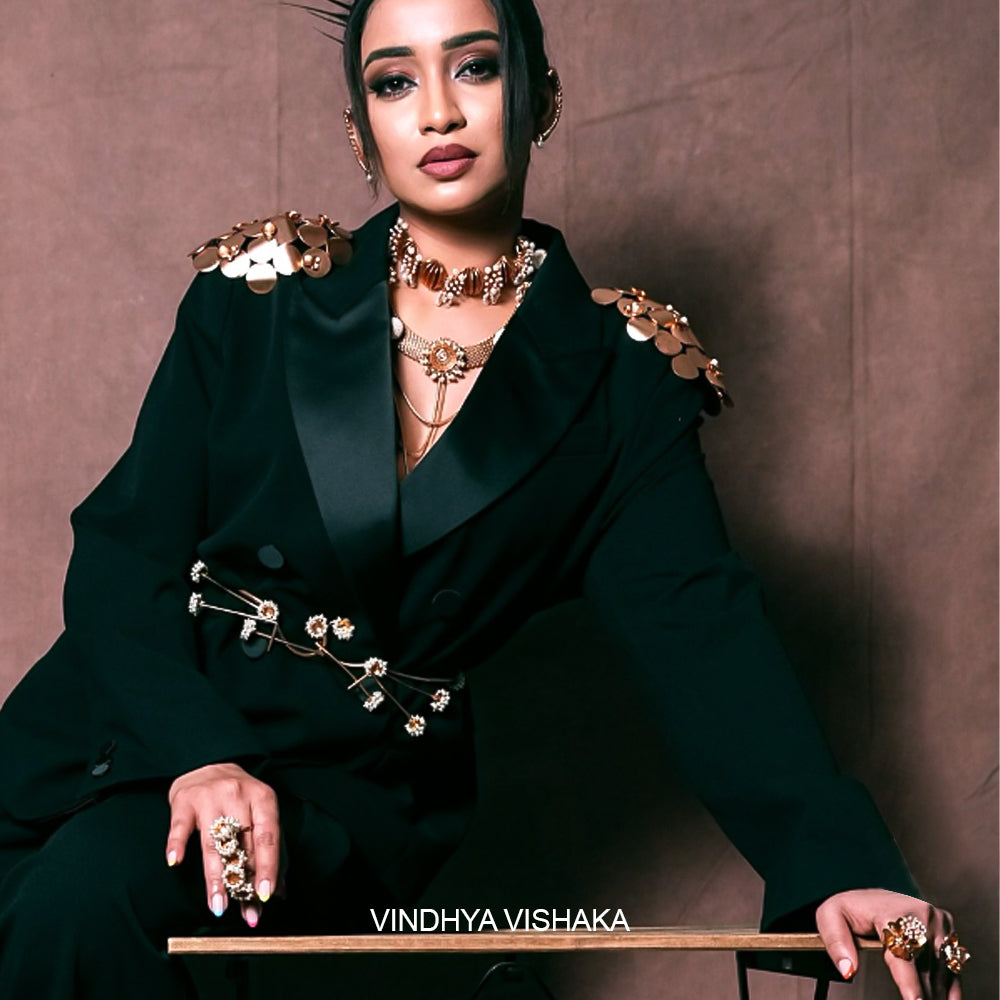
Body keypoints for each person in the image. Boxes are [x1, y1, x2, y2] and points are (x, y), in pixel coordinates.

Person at [0, 0, 970, 997]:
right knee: (65, 897)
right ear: (360, 129)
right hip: (113, 744)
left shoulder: (617, 383)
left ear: (540, 96)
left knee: (93, 900)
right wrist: (203, 755)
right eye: (393, 81)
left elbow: (703, 632)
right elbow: (123, 555)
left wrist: (840, 863)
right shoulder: (257, 301)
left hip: (334, 807)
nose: (436, 112)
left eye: (474, 68)